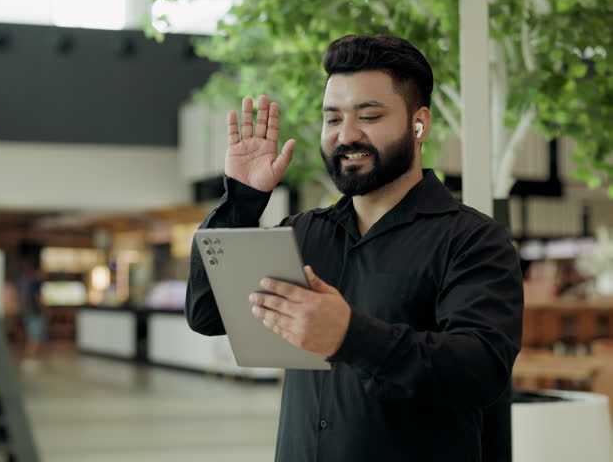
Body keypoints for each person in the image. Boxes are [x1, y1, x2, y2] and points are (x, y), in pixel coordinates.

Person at [185, 35, 524, 461]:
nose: (347, 135)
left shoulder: (474, 239)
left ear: (419, 123)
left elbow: (481, 371)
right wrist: (242, 201)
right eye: (332, 120)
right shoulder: (303, 233)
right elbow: (207, 314)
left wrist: (351, 335)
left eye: (369, 115)